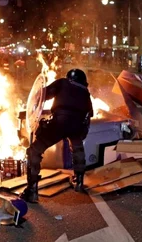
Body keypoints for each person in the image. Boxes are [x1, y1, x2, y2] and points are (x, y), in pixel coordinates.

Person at [20, 69, 93, 203]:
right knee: (77, 148)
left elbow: (41, 95)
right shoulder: (85, 93)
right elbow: (89, 115)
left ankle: (32, 190)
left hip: (60, 123)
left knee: (34, 151)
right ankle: (79, 182)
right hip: (77, 126)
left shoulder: (63, 83)